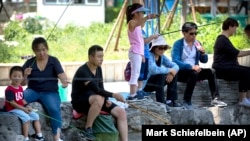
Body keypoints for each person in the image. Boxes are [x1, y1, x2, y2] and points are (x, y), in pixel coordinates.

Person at [71, 45, 128, 141]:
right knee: (99, 98)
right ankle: (88, 128)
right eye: (99, 57)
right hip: (80, 101)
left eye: (102, 56)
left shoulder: (98, 68)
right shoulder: (83, 71)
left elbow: (101, 87)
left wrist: (107, 99)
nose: (102, 59)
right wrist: (114, 95)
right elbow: (96, 89)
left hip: (97, 100)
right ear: (91, 57)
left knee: (121, 112)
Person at [172, 22, 227, 110]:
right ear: (184, 33)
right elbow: (175, 61)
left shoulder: (197, 43)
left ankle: (215, 98)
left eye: (195, 33)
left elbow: (204, 60)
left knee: (211, 71)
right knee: (193, 73)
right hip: (182, 72)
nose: (194, 36)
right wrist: (191, 67)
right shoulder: (178, 44)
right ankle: (186, 100)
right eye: (191, 33)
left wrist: (203, 53)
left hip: (194, 71)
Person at [21, 37, 68, 141]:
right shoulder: (30, 63)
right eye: (38, 50)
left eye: (44, 49)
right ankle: (34, 134)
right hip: (33, 91)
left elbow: (61, 74)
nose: (42, 53)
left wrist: (64, 81)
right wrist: (25, 75)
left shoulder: (53, 61)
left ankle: (57, 137)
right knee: (19, 98)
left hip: (50, 92)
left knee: (54, 109)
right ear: (34, 51)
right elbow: (22, 83)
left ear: (47, 49)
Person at [212, 17, 250, 107]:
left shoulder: (225, 39)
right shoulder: (222, 40)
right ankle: (242, 99)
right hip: (221, 69)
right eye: (235, 28)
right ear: (230, 27)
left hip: (229, 67)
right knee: (245, 72)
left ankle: (248, 97)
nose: (235, 30)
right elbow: (236, 53)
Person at [126, 3, 158, 101]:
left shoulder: (138, 26)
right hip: (134, 52)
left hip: (138, 52)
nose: (143, 14)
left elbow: (142, 42)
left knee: (137, 74)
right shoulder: (131, 23)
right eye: (142, 12)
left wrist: (142, 55)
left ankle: (136, 93)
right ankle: (132, 95)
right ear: (135, 13)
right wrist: (148, 17)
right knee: (135, 74)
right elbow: (138, 23)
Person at [5, 66, 45, 141]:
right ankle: (26, 138)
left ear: (23, 77)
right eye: (14, 76)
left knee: (36, 116)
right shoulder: (9, 89)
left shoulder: (20, 88)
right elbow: (12, 103)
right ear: (10, 76)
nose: (17, 78)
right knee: (26, 118)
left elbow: (22, 100)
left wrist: (28, 106)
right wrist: (23, 109)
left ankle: (39, 136)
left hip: (20, 107)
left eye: (19, 76)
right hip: (12, 109)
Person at [142, 35, 180, 112]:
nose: (162, 50)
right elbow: (153, 70)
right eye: (160, 48)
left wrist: (172, 73)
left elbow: (175, 66)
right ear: (153, 47)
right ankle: (161, 102)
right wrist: (169, 70)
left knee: (173, 74)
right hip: (145, 84)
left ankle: (171, 100)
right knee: (161, 75)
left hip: (155, 83)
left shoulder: (162, 57)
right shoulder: (148, 55)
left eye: (164, 48)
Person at [137, 28, 159, 96]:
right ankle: (137, 91)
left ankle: (141, 90)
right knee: (140, 75)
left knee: (143, 76)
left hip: (146, 55)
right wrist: (153, 36)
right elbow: (144, 41)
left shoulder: (142, 30)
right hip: (141, 55)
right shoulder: (137, 30)